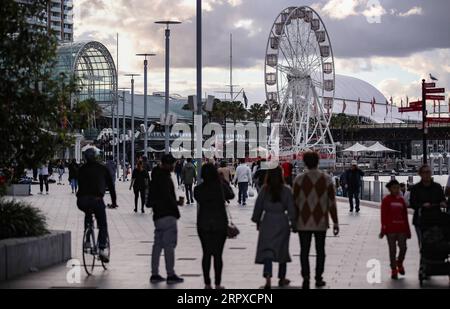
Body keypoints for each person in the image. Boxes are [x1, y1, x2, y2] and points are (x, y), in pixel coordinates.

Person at [293, 152, 339, 289]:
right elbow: (331, 203)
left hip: (303, 221)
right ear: (318, 161)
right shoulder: (327, 179)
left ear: (304, 162)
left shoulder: (299, 180)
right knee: (320, 251)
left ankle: (305, 277)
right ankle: (319, 277)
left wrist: (293, 220)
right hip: (321, 221)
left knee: (304, 251)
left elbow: (294, 202)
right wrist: (335, 222)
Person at [252, 167, 296, 289]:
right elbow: (292, 208)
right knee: (282, 250)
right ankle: (282, 278)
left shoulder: (264, 190)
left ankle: (268, 277)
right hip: (282, 221)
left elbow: (258, 207)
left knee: (267, 251)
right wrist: (294, 222)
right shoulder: (286, 190)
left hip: (267, 222)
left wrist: (257, 220)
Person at [194, 164, 235, 289]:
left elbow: (198, 198)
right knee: (218, 255)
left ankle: (207, 283)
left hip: (203, 224)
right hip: (219, 224)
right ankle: (217, 284)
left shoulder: (198, 189)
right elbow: (231, 195)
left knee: (206, 254)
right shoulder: (221, 187)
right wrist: (222, 181)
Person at [149, 154, 185, 285]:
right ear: (167, 164)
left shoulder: (156, 176)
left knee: (157, 245)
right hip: (167, 215)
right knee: (169, 245)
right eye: (172, 164)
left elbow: (155, 197)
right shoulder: (164, 178)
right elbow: (167, 197)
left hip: (158, 215)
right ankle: (170, 274)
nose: (174, 167)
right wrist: (176, 204)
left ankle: (154, 274)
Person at [77, 149, 117, 263]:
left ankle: (88, 240)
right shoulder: (102, 168)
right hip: (96, 200)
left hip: (82, 201)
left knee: (88, 213)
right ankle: (101, 247)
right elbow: (111, 186)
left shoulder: (82, 169)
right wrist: (114, 202)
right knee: (102, 223)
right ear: (96, 157)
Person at [379, 180, 411, 280]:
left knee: (403, 247)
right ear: (389, 189)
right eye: (394, 188)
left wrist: (408, 230)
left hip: (401, 229)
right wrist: (383, 229)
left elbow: (405, 216)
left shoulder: (401, 200)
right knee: (392, 250)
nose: (397, 190)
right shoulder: (386, 200)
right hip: (390, 230)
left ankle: (399, 262)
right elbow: (383, 216)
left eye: (398, 188)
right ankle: (394, 269)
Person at [409, 165, 447, 246]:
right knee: (423, 244)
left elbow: (443, 199)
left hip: (436, 219)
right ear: (420, 174)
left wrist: (443, 203)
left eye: (429, 172)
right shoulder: (416, 188)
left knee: (436, 243)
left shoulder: (437, 187)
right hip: (421, 220)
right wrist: (422, 205)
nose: (427, 174)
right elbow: (412, 203)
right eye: (425, 172)